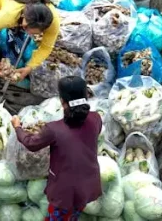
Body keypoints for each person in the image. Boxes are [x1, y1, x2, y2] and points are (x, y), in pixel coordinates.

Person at [11, 76, 102, 220]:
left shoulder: (54, 129)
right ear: (86, 96)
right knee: (74, 213)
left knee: (58, 216)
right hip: (88, 184)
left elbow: (30, 143)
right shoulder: (96, 118)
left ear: (62, 101)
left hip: (65, 191)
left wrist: (17, 127)